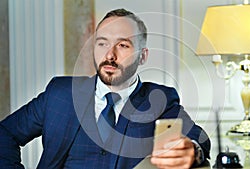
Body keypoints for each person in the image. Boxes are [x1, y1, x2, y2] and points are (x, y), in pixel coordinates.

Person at [0, 8, 210, 169]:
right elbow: (5, 132)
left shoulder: (159, 99)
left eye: (123, 45)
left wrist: (194, 151)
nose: (110, 55)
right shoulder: (59, 93)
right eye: (102, 43)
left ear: (143, 56)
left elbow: (199, 138)